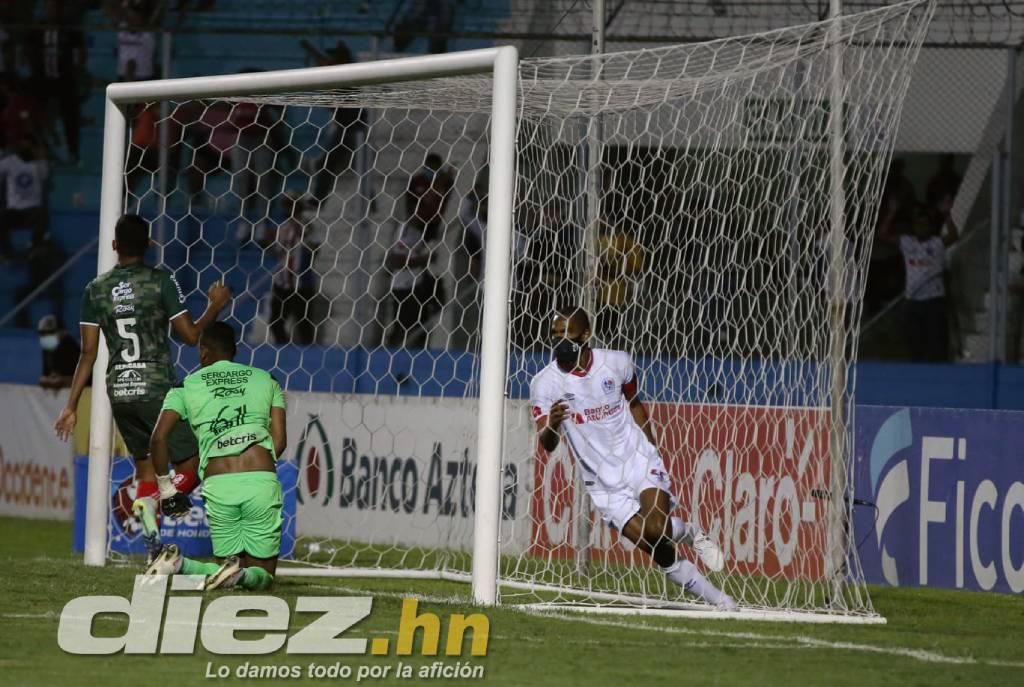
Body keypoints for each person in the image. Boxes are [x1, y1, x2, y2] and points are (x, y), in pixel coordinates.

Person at [529, 307, 734, 609]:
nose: (561, 343)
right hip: (601, 483)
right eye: (556, 336)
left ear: (586, 335)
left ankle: (691, 533)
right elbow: (546, 443)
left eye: (568, 336)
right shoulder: (544, 383)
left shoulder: (617, 363)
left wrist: (650, 447)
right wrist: (554, 424)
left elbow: (634, 402)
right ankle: (722, 602)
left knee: (656, 528)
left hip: (637, 460)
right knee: (658, 549)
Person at [53, 214, 231, 560]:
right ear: (150, 244)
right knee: (193, 461)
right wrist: (216, 306)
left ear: (115, 245)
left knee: (146, 468)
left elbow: (88, 353)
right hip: (156, 389)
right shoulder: (160, 281)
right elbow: (191, 335)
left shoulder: (95, 289)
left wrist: (71, 405)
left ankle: (154, 549)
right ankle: (160, 500)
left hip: (119, 392)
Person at [145, 321, 287, 591]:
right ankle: (186, 566)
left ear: (203, 352)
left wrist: (167, 489)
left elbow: (158, 438)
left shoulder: (184, 386)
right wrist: (258, 466)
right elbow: (279, 440)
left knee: (229, 571)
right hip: (259, 479)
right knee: (261, 578)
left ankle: (181, 565)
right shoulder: (267, 379)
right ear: (234, 351)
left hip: (218, 483)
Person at [879, 195, 959, 362]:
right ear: (913, 227)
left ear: (930, 227)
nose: (922, 228)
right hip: (913, 300)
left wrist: (947, 214)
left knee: (936, 342)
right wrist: (891, 213)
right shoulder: (907, 242)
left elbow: (953, 235)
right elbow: (883, 235)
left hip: (934, 300)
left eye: (925, 225)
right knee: (915, 343)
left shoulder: (936, 243)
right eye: (918, 224)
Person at [28, 0, 87, 164]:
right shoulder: (39, 28)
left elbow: (81, 49)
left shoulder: (68, 27)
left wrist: (79, 70)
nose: (51, 11)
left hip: (65, 79)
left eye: (55, 7)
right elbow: (29, 49)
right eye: (48, 7)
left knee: (70, 117)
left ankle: (73, 152)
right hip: (43, 79)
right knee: (37, 114)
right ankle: (41, 151)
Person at [0, 133, 49, 260]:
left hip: (32, 211)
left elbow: (45, 175)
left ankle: (36, 248)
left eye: (28, 146)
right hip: (14, 211)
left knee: (42, 215)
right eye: (23, 146)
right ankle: (6, 253)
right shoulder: (10, 162)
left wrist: (41, 156)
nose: (25, 148)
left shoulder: (39, 164)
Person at [37, 314, 80, 389]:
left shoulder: (72, 348)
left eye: (50, 332)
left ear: (62, 332)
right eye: (42, 333)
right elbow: (46, 374)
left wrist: (63, 380)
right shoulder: (47, 349)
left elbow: (84, 378)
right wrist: (46, 379)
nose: (46, 336)